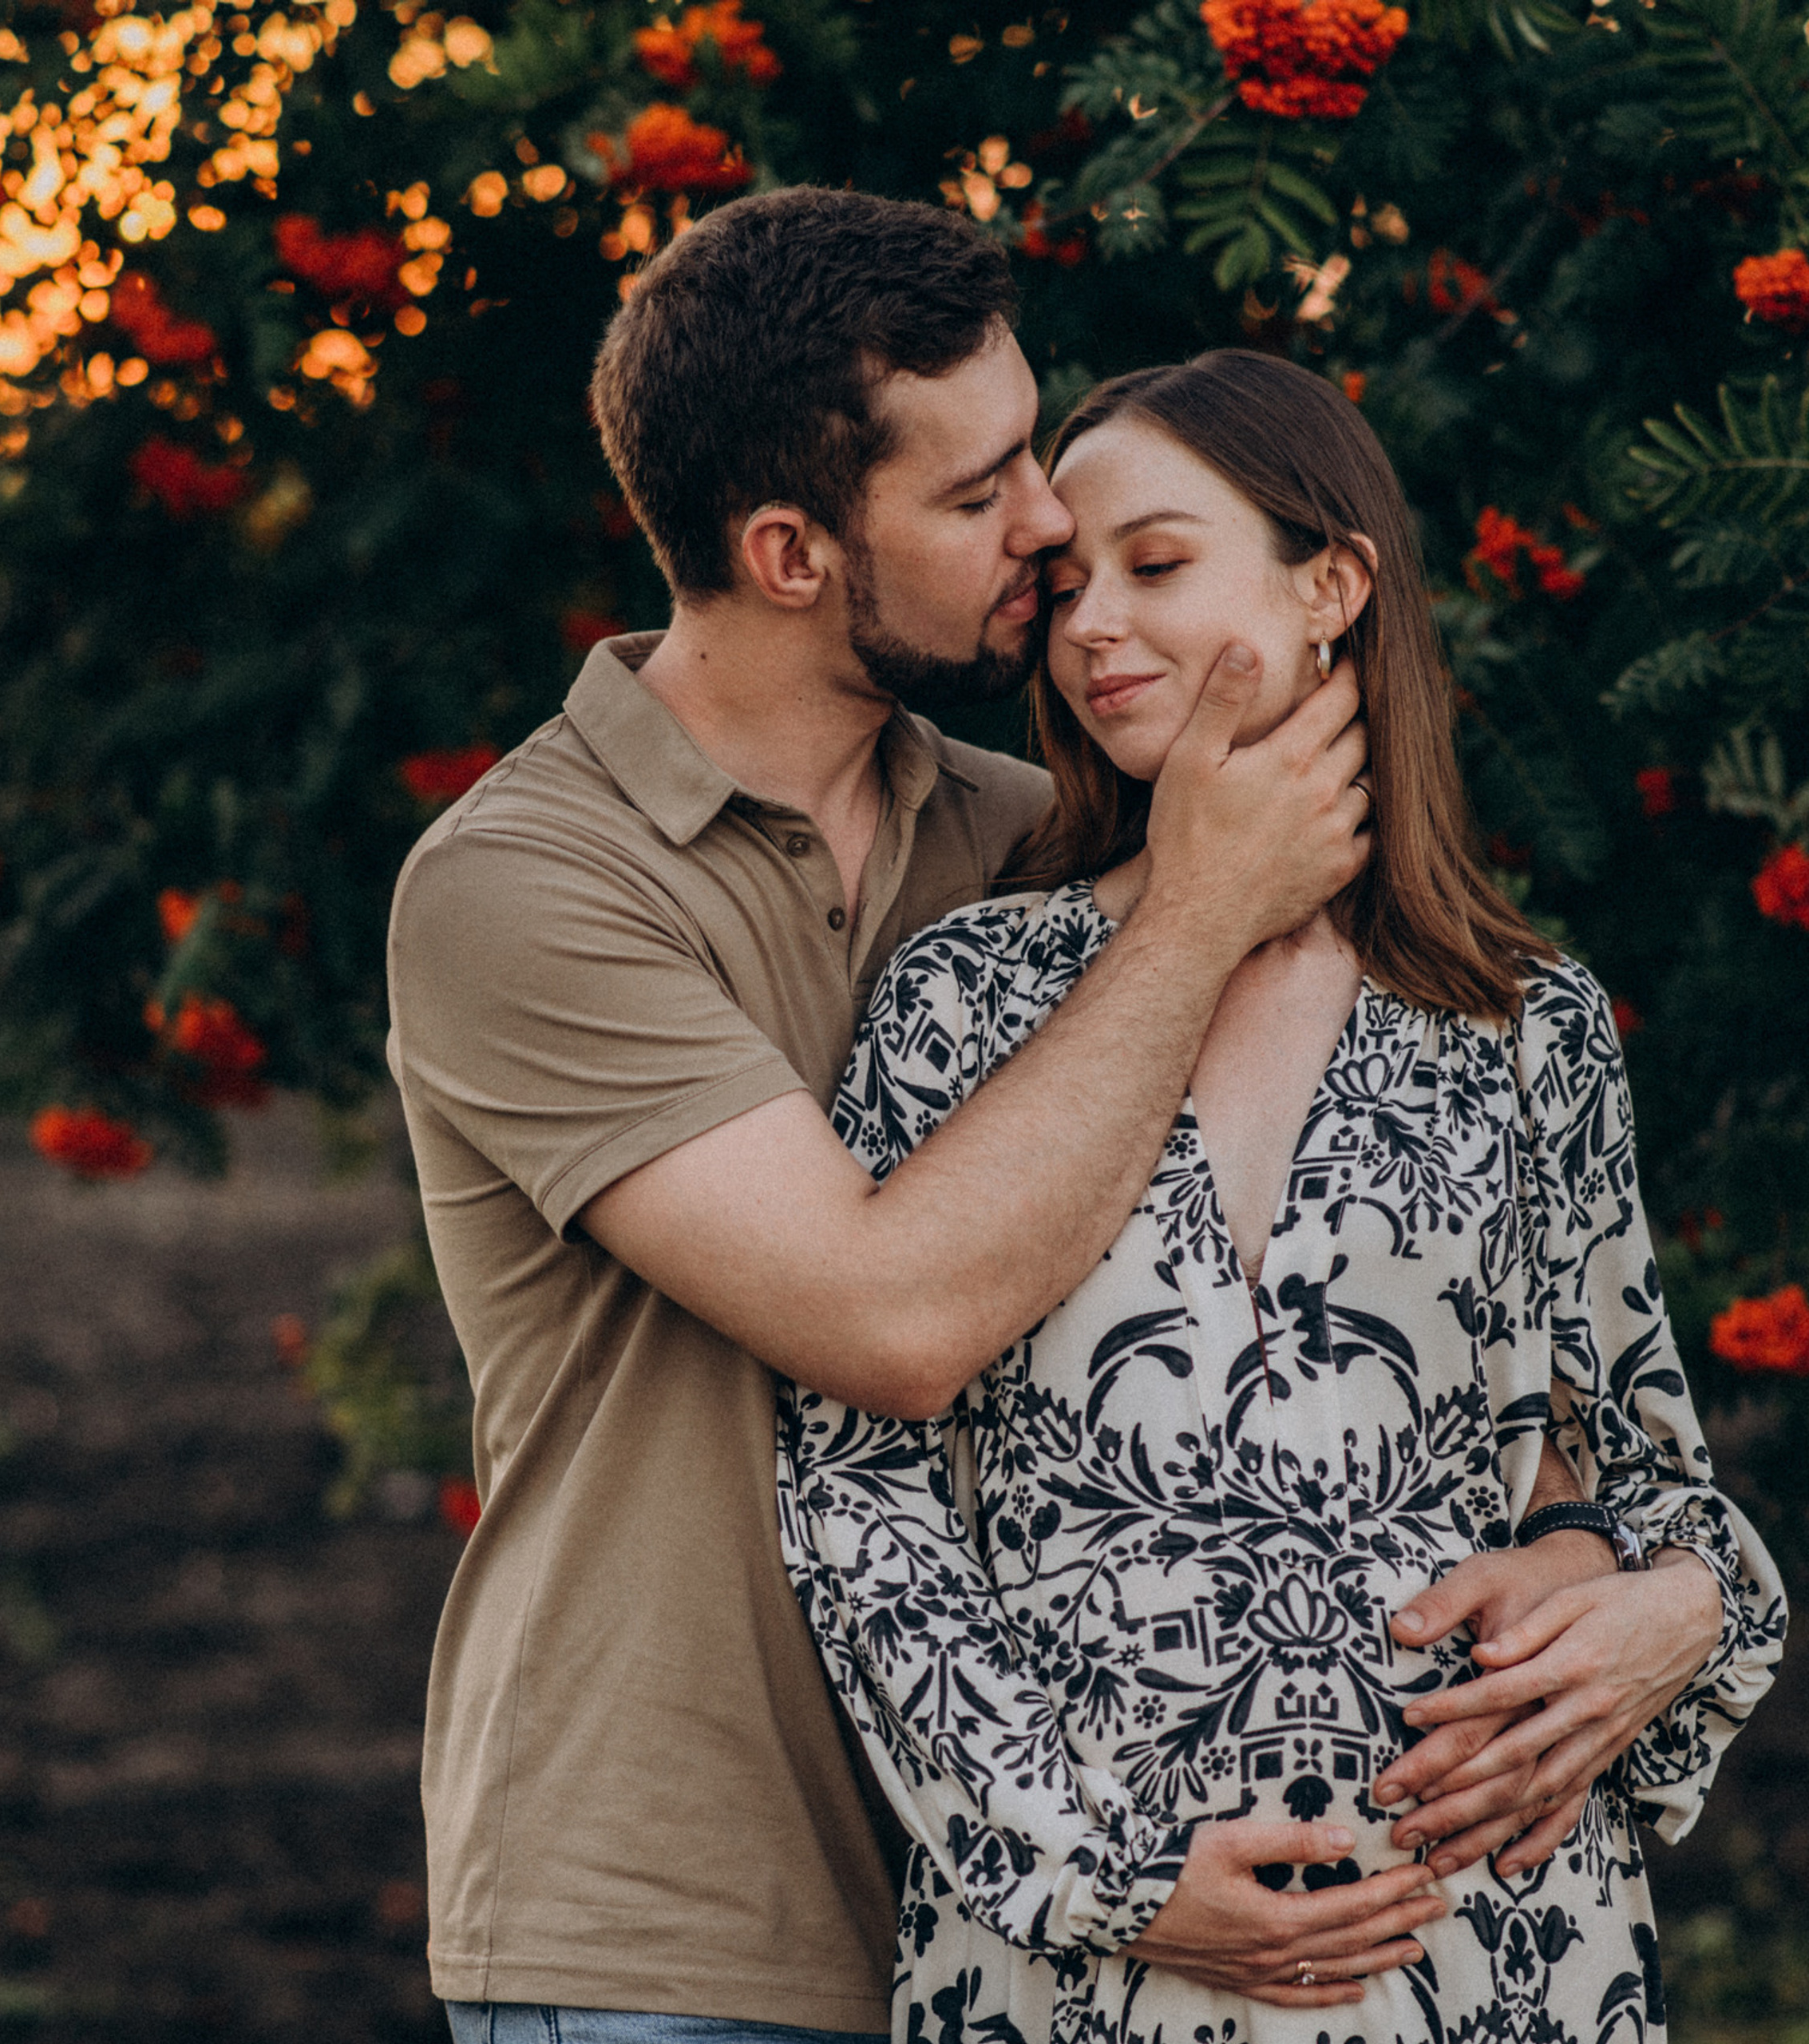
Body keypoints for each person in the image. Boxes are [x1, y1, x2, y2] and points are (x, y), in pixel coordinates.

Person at [387, 191, 1621, 2044]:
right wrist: (1199, 906)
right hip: (681, 1910)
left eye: (1031, 456)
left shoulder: (1025, 851)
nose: (1045, 527)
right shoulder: (528, 885)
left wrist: (1645, 1582)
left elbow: (1504, 1386)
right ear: (794, 551)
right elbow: (891, 1324)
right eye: (975, 501)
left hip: (1032, 1935)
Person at [777, 351, 1787, 2044]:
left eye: (1155, 565)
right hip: (1080, 1959)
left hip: (1483, 1951)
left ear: (1331, 584)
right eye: (1066, 583)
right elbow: (857, 1501)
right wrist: (1094, 1866)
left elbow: (1647, 1488)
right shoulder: (960, 995)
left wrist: (1670, 1608)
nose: (1090, 623)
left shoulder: (1520, 1021)